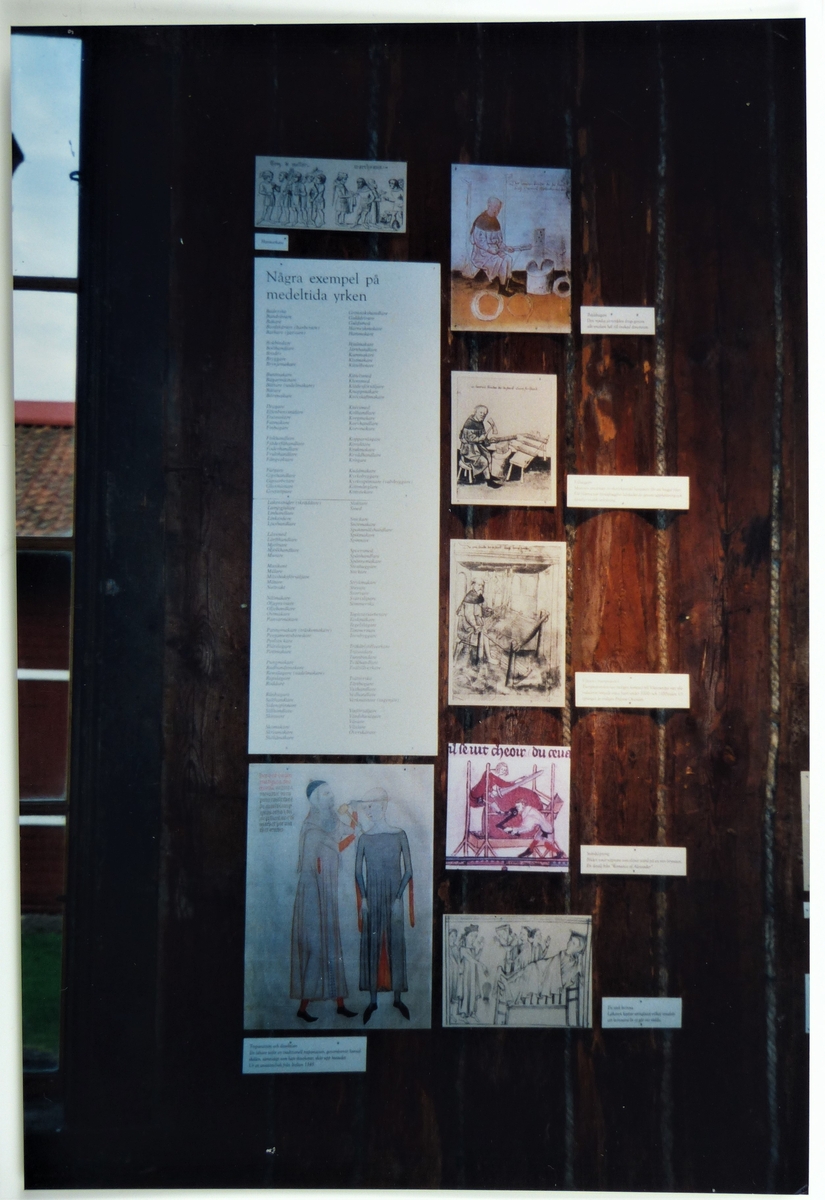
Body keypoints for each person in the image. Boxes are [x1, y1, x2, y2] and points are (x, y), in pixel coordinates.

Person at [290, 780, 359, 1022]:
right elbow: (333, 849)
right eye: (327, 793)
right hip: (313, 895)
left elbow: (349, 830)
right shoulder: (312, 827)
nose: (332, 797)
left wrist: (352, 813)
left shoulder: (330, 820)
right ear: (316, 799)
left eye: (331, 792)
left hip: (326, 892)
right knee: (317, 948)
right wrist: (352, 835)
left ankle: (340, 1004)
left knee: (332, 945)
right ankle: (302, 1009)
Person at [354, 788, 414, 1024]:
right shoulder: (364, 838)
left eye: (373, 806)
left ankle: (397, 999)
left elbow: (408, 870)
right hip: (373, 896)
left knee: (396, 942)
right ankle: (372, 1001)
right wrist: (364, 899)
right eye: (366, 807)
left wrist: (399, 898)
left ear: (384, 805)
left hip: (393, 897)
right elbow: (358, 872)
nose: (369, 811)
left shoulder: (399, 834)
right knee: (372, 944)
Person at [469, 196, 515, 291]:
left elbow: (499, 242)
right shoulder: (480, 220)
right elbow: (478, 241)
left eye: (498, 208)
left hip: (494, 250)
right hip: (482, 253)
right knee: (502, 261)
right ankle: (502, 289)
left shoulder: (496, 222)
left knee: (508, 258)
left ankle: (508, 281)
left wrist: (506, 248)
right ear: (489, 205)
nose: (496, 210)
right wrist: (489, 249)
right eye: (494, 207)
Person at [458, 405, 504, 488]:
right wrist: (480, 438)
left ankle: (489, 475)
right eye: (481, 413)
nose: (483, 415)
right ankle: (489, 482)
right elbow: (469, 438)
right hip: (469, 449)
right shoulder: (469, 423)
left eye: (485, 414)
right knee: (483, 460)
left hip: (477, 447)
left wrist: (488, 441)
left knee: (488, 455)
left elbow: (483, 437)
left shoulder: (480, 422)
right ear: (475, 412)